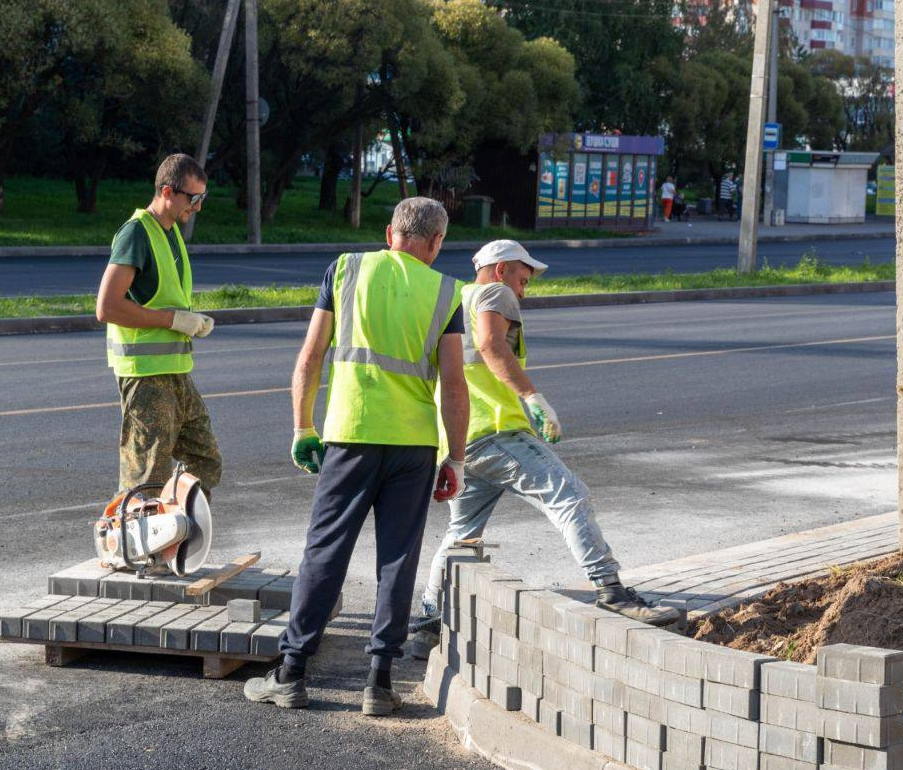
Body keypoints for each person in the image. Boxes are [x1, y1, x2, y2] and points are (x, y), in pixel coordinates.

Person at [243, 197, 469, 716]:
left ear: (390, 232)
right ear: (436, 244)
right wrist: (454, 459)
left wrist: (303, 426)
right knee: (398, 559)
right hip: (413, 447)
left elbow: (310, 356)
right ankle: (379, 683)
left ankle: (293, 672)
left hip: (350, 436)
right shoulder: (446, 292)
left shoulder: (346, 269)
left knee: (325, 552)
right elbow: (454, 387)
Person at [413, 238, 684, 654]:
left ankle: (427, 623)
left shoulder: (450, 300)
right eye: (523, 279)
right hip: (495, 431)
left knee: (462, 534)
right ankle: (611, 591)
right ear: (501, 269)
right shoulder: (493, 291)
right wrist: (534, 398)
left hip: (458, 442)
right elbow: (489, 343)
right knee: (568, 494)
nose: (523, 291)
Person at [94, 153, 221, 498]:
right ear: (168, 191)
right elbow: (106, 307)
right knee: (147, 477)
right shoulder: (136, 233)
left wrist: (190, 322)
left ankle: (175, 537)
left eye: (202, 199)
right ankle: (136, 545)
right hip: (146, 376)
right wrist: (174, 320)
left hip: (176, 371)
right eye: (193, 198)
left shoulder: (171, 233)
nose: (197, 207)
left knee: (204, 460)